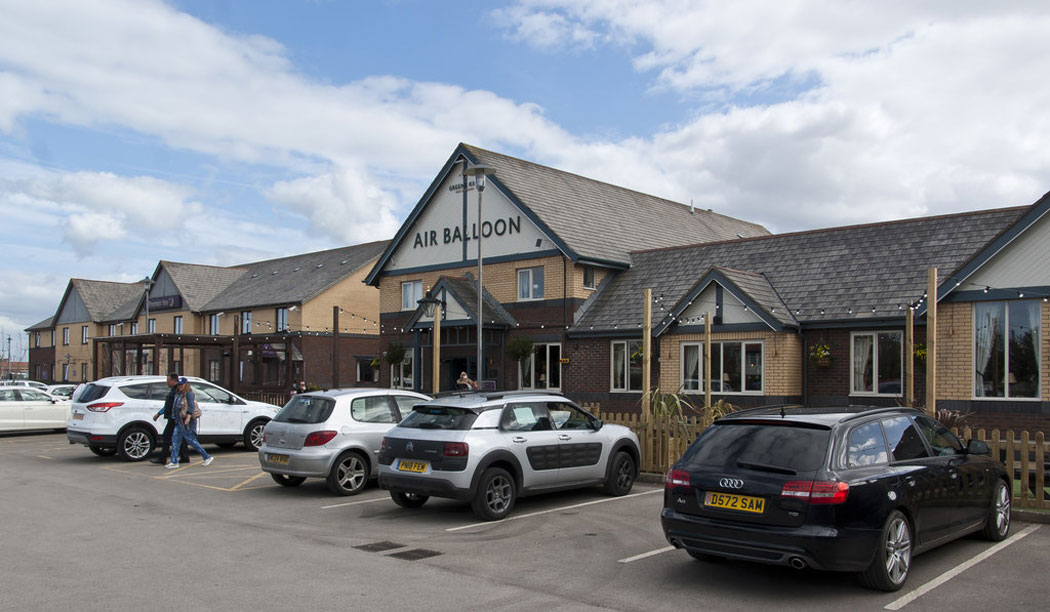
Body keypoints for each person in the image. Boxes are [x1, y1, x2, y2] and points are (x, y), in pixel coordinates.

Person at [166, 377, 213, 469]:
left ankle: (206, 456)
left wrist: (188, 417)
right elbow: (175, 407)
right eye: (179, 385)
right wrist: (175, 417)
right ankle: (174, 461)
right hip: (179, 421)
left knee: (190, 440)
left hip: (186, 421)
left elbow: (191, 406)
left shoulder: (189, 394)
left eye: (181, 385)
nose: (180, 386)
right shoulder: (178, 394)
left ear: (186, 384)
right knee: (175, 440)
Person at [152, 372, 189, 465]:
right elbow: (169, 405)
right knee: (179, 437)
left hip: (175, 418)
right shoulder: (174, 390)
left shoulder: (177, 390)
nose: (167, 382)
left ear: (173, 380)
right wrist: (159, 413)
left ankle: (163, 458)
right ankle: (184, 457)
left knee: (167, 437)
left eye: (168, 380)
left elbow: (177, 405)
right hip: (173, 417)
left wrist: (175, 416)